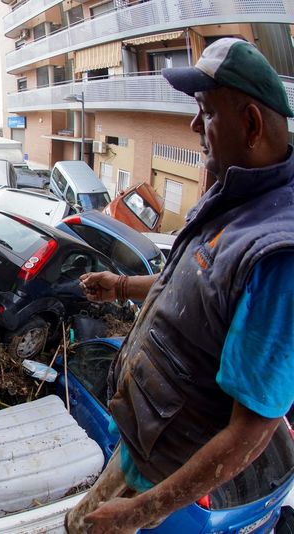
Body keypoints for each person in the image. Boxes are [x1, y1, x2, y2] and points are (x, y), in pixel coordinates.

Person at [66, 38, 294, 533]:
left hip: (157, 472)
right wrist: (123, 286)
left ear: (252, 124)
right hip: (141, 440)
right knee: (77, 522)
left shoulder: (279, 256)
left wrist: (142, 512)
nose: (194, 127)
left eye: (207, 113)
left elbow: (251, 432)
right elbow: (191, 291)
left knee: (82, 528)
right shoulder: (235, 196)